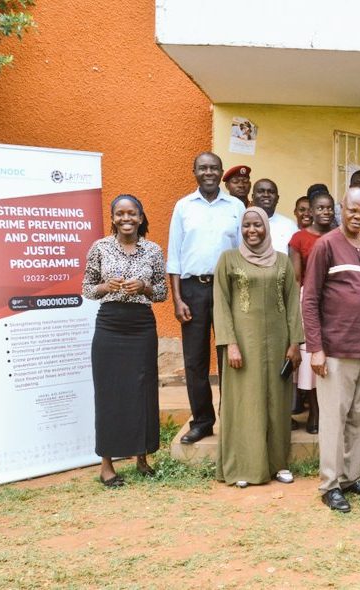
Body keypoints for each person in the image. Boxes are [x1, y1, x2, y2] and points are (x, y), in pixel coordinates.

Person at [303, 188, 360, 512]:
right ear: (342, 209)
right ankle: (330, 484)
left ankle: (353, 478)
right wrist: (316, 348)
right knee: (334, 421)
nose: (358, 216)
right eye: (352, 210)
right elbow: (310, 299)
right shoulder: (326, 245)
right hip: (336, 350)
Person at [213, 207, 303, 488]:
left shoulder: (283, 261)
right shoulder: (228, 259)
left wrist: (294, 343)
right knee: (245, 404)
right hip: (244, 343)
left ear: (267, 227)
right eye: (247, 226)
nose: (252, 231)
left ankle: (279, 465)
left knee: (277, 403)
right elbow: (221, 303)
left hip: (278, 343)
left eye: (257, 225)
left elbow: (292, 303)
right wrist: (231, 345)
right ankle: (244, 467)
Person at [83, 194, 167, 487]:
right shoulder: (100, 247)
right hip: (109, 324)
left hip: (141, 325)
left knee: (142, 390)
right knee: (109, 392)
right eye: (120, 214)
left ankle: (142, 457)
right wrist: (106, 286)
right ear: (113, 217)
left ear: (141, 217)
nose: (126, 218)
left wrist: (144, 287)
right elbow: (87, 289)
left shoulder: (153, 250)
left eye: (132, 213)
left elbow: (161, 293)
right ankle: (106, 464)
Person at [167, 151, 246, 445]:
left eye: (214, 168)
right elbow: (174, 255)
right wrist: (177, 299)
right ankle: (202, 421)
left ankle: (233, 420)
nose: (209, 172)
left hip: (228, 288)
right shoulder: (183, 207)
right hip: (192, 290)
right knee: (195, 360)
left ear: (221, 171)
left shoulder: (236, 206)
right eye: (203, 168)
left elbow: (243, 253)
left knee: (231, 356)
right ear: (195, 172)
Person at [288, 191, 334, 434]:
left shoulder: (339, 235)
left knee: (334, 356)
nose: (325, 212)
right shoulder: (299, 239)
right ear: (311, 211)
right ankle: (314, 411)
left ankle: (329, 412)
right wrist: (295, 311)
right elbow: (296, 278)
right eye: (320, 208)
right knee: (313, 356)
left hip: (337, 301)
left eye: (330, 208)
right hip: (310, 298)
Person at [252, 178, 298, 256]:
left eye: (271, 192)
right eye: (261, 191)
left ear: (277, 198)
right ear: (253, 197)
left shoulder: (290, 225)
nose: (266, 195)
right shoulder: (242, 223)